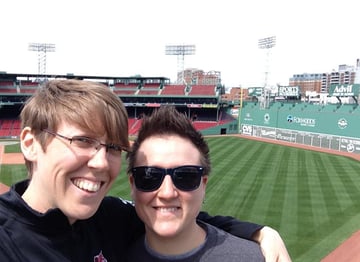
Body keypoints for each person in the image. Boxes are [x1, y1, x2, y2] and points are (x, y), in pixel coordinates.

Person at [0, 79, 291, 261]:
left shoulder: (108, 217)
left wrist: (260, 232)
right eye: (83, 141)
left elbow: (176, 211)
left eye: (113, 147)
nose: (101, 162)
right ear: (30, 143)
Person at [126, 106, 266, 261]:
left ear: (203, 185)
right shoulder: (115, 253)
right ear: (133, 184)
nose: (167, 193)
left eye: (186, 176)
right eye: (149, 177)